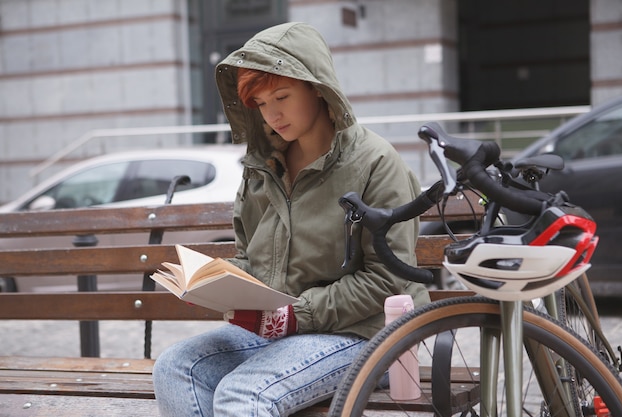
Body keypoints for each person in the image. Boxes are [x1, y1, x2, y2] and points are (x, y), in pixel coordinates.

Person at [152, 21, 430, 417]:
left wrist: (293, 316)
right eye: (262, 104)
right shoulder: (263, 166)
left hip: (365, 331)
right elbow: (253, 257)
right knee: (176, 367)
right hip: (285, 331)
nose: (272, 114)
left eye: (282, 96)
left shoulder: (376, 163)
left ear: (317, 87)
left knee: (243, 393)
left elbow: (389, 279)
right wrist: (217, 283)